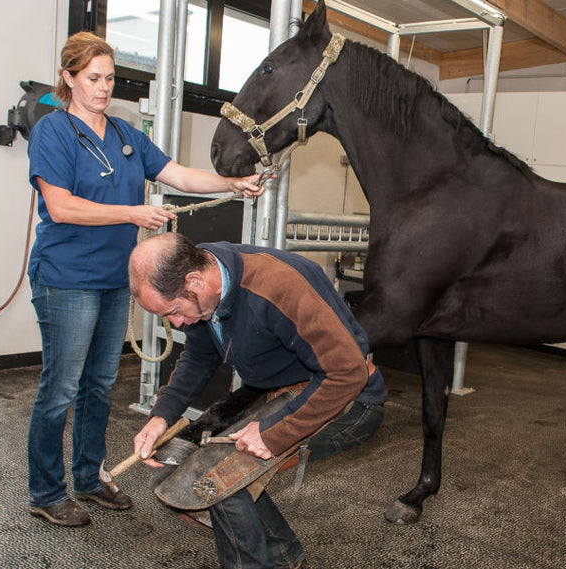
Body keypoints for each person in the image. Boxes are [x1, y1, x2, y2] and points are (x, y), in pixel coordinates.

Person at [25, 31, 264, 528]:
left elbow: (177, 174)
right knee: (62, 387)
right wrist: (132, 211)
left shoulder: (125, 135)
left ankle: (89, 479)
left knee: (99, 385)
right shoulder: (53, 131)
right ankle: (47, 491)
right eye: (93, 78)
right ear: (68, 79)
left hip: (116, 278)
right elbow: (60, 206)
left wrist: (232, 183)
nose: (103, 87)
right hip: (66, 278)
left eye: (110, 78)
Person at [130, 232, 387, 569]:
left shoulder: (281, 285)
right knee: (186, 456)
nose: (176, 322)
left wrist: (273, 434)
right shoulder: (201, 284)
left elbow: (347, 373)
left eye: (176, 310)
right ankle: (282, 557)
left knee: (218, 477)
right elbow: (199, 356)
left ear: (195, 280)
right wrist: (161, 417)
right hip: (281, 387)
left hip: (348, 396)